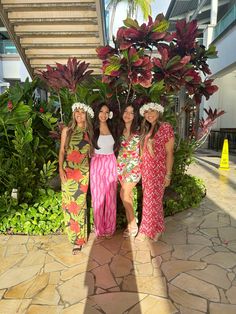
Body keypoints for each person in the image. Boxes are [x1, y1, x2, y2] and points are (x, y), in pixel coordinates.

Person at [136, 102, 174, 242]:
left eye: (152, 111)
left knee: (154, 201)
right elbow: (142, 152)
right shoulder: (146, 129)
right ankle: (158, 228)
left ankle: (147, 230)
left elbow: (170, 153)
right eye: (146, 112)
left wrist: (168, 174)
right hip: (146, 171)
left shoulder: (165, 127)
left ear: (158, 112)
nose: (149, 114)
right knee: (149, 200)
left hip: (158, 171)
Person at [59, 102, 94, 254]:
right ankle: (73, 237)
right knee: (69, 205)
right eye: (76, 112)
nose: (79, 115)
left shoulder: (90, 133)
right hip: (68, 172)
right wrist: (60, 169)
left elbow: (93, 155)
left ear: (87, 115)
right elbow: (61, 151)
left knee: (79, 206)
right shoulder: (67, 131)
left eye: (82, 112)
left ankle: (79, 240)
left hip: (83, 174)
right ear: (73, 114)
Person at [90, 103, 117, 239]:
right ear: (97, 112)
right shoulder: (91, 129)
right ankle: (99, 229)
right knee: (98, 198)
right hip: (97, 163)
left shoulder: (113, 127)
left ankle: (110, 228)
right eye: (101, 111)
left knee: (111, 197)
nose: (104, 114)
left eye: (107, 112)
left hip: (111, 162)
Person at [117, 104, 141, 237]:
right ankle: (130, 223)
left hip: (134, 167)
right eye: (126, 111)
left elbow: (142, 153)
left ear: (135, 116)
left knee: (124, 194)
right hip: (120, 168)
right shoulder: (118, 131)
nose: (128, 114)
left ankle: (133, 224)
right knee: (128, 196)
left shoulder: (139, 131)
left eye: (131, 113)